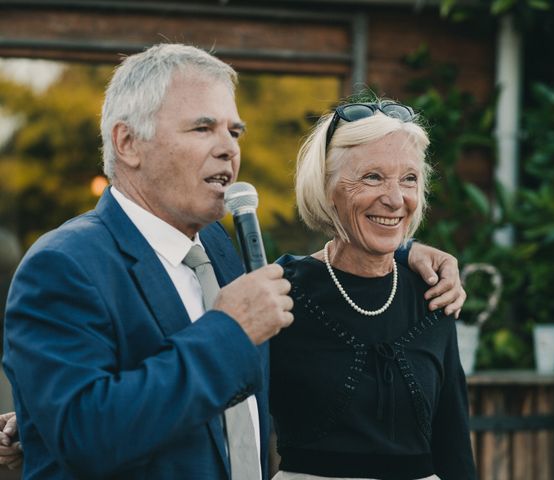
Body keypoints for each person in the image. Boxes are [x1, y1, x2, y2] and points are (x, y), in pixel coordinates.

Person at [2, 44, 465, 479]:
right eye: (203, 128)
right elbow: (86, 432)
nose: (230, 147)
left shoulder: (220, 251)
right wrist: (231, 330)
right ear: (128, 143)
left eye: (234, 131)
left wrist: (403, 249)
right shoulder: (63, 264)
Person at [270, 100, 476, 479]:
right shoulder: (281, 290)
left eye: (409, 179)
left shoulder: (433, 291)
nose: (395, 199)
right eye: (373, 177)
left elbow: (453, 442)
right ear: (328, 187)